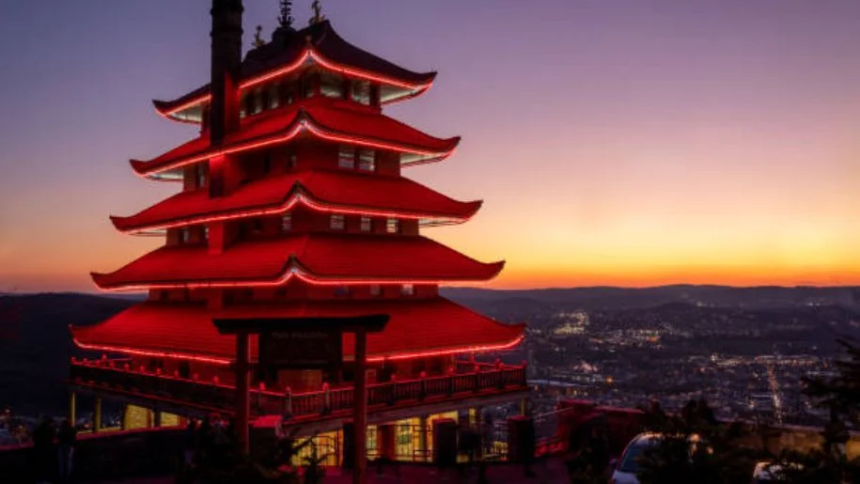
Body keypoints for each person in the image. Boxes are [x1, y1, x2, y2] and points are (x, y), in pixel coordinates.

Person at [57, 418, 77, 484]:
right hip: (69, 446)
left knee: (61, 462)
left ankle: (61, 477)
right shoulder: (73, 430)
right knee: (68, 461)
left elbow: (58, 436)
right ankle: (68, 477)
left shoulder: (62, 430)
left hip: (61, 445)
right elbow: (74, 437)